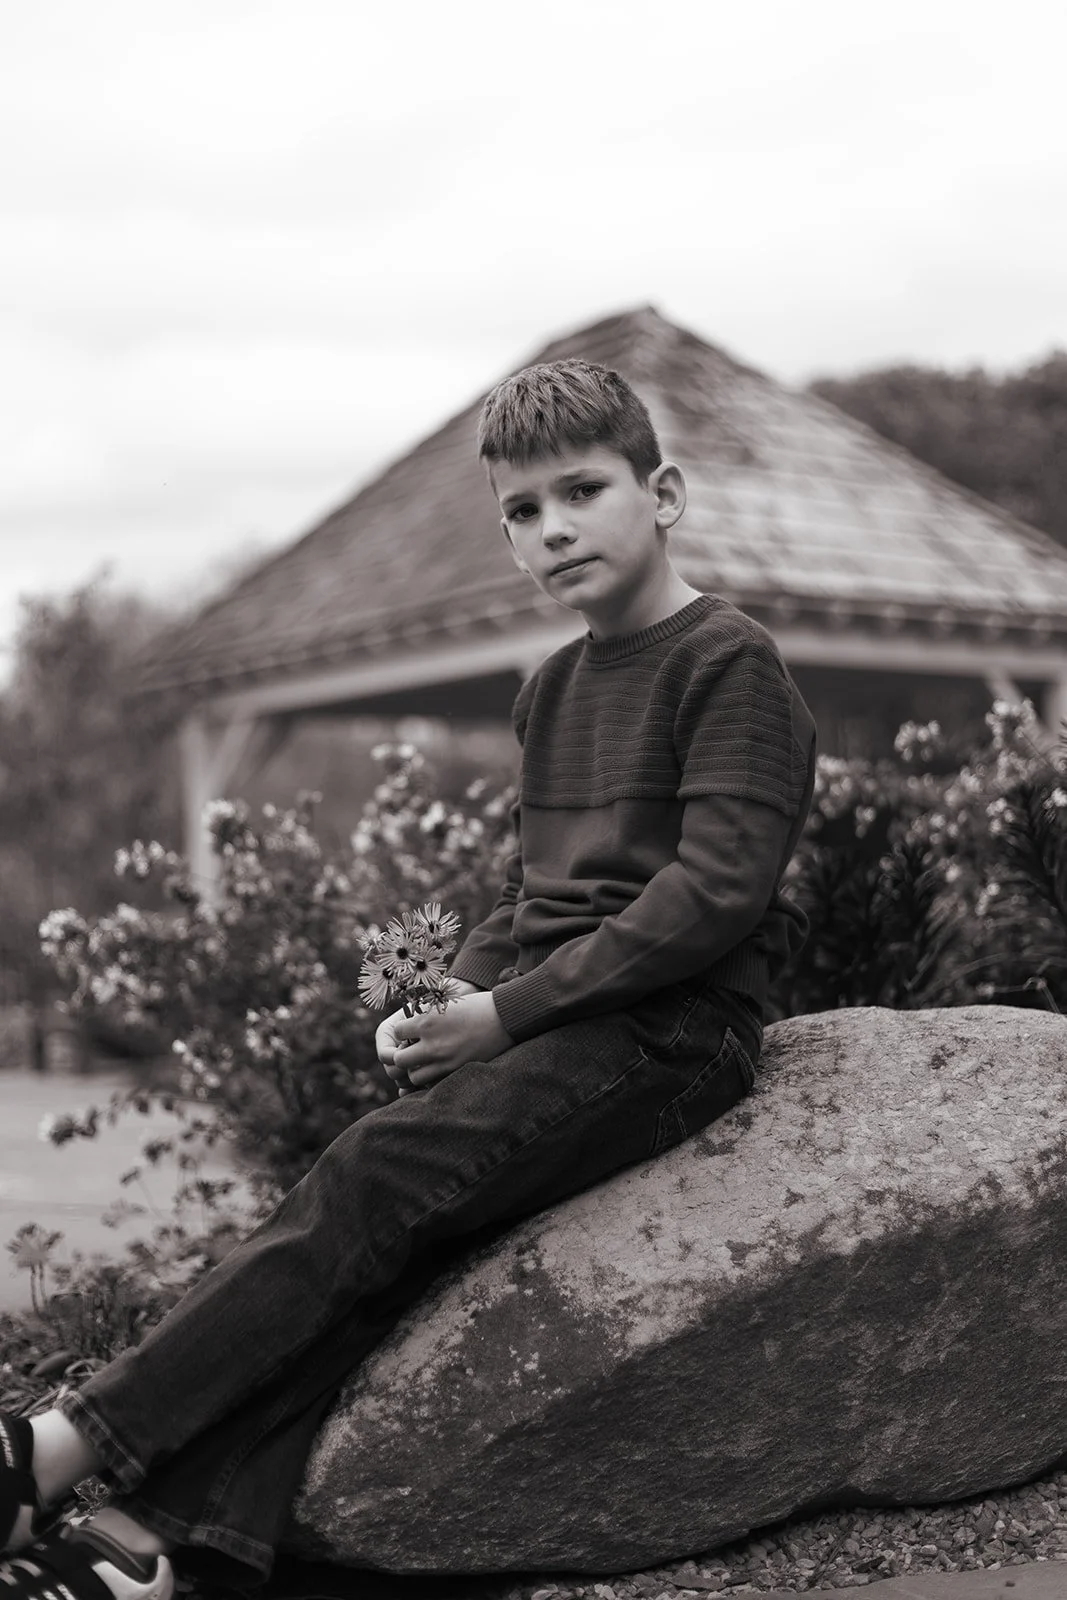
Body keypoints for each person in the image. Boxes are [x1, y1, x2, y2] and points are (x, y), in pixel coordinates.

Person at [0, 358, 817, 1600]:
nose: (551, 528)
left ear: (664, 493)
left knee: (372, 1181)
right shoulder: (550, 685)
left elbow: (709, 898)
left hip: (676, 1029)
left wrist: (507, 1014)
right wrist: (445, 996)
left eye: (581, 491)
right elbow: (529, 895)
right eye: (520, 511)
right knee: (384, 1236)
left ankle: (51, 1454)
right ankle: (151, 1551)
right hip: (561, 1015)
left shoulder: (726, 662)